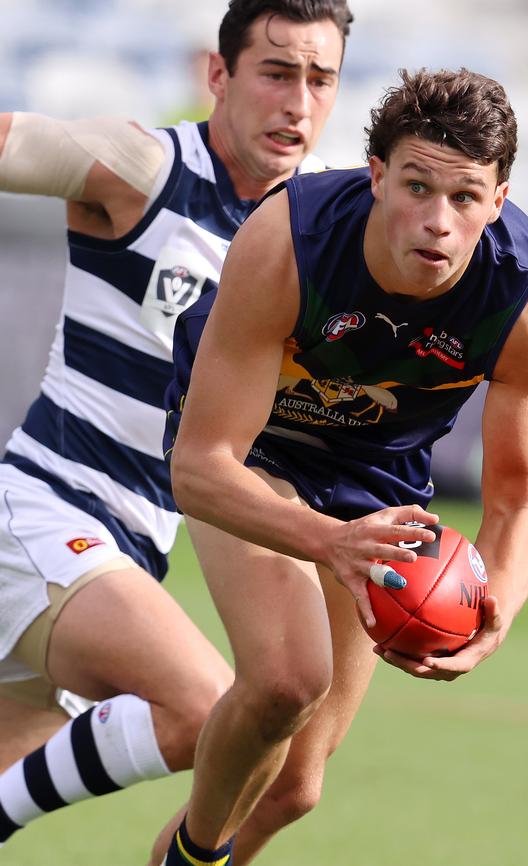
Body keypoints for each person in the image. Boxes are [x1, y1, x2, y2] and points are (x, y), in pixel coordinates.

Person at [160, 66, 528, 865]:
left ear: (499, 199)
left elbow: (516, 506)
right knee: (288, 678)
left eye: (464, 198)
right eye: (417, 186)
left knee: (295, 788)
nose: (437, 222)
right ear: (376, 175)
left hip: (376, 478)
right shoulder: (289, 240)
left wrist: (497, 613)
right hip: (256, 450)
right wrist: (326, 540)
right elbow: (201, 468)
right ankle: (192, 857)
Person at [0, 0, 352, 859]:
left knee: (251, 766)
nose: (298, 102)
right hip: (41, 513)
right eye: (275, 73)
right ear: (219, 76)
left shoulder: (312, 243)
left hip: (125, 558)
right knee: (205, 708)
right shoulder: (147, 167)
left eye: (320, 78)